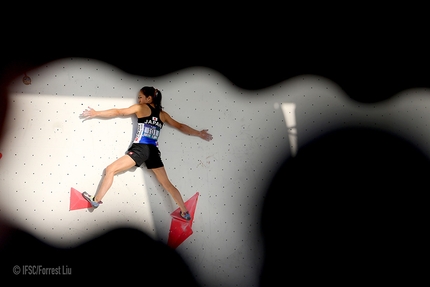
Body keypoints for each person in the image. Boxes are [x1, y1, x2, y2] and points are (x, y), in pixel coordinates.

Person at [80, 86, 213, 220]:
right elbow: (180, 126)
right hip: (153, 152)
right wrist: (199, 133)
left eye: (140, 97)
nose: (139, 100)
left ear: (149, 98)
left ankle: (96, 200)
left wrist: (96, 113)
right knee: (167, 184)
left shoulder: (140, 108)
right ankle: (185, 212)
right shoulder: (163, 114)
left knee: (110, 170)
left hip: (141, 149)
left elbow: (119, 112)